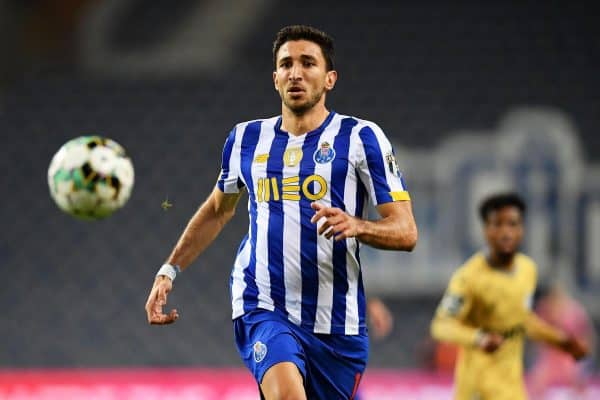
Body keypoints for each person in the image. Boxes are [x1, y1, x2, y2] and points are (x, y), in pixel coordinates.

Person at [145, 25, 418, 400]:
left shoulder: (360, 138)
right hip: (263, 304)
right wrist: (168, 270)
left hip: (337, 323)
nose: (296, 73)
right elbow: (217, 210)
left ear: (330, 78)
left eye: (308, 63)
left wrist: (357, 225)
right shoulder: (246, 139)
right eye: (286, 64)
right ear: (275, 78)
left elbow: (406, 232)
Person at [430, 192, 588, 400]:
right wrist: (478, 338)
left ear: (522, 229)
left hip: (512, 388)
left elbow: (520, 319)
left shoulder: (527, 270)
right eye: (497, 224)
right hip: (478, 388)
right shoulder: (468, 278)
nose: (506, 232)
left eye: (512, 224)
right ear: (486, 230)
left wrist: (561, 341)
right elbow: (441, 326)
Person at [528, 283, 596, 398]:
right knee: (538, 379)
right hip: (550, 355)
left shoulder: (575, 311)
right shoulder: (545, 309)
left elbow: (587, 336)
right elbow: (537, 333)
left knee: (577, 377)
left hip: (571, 353)